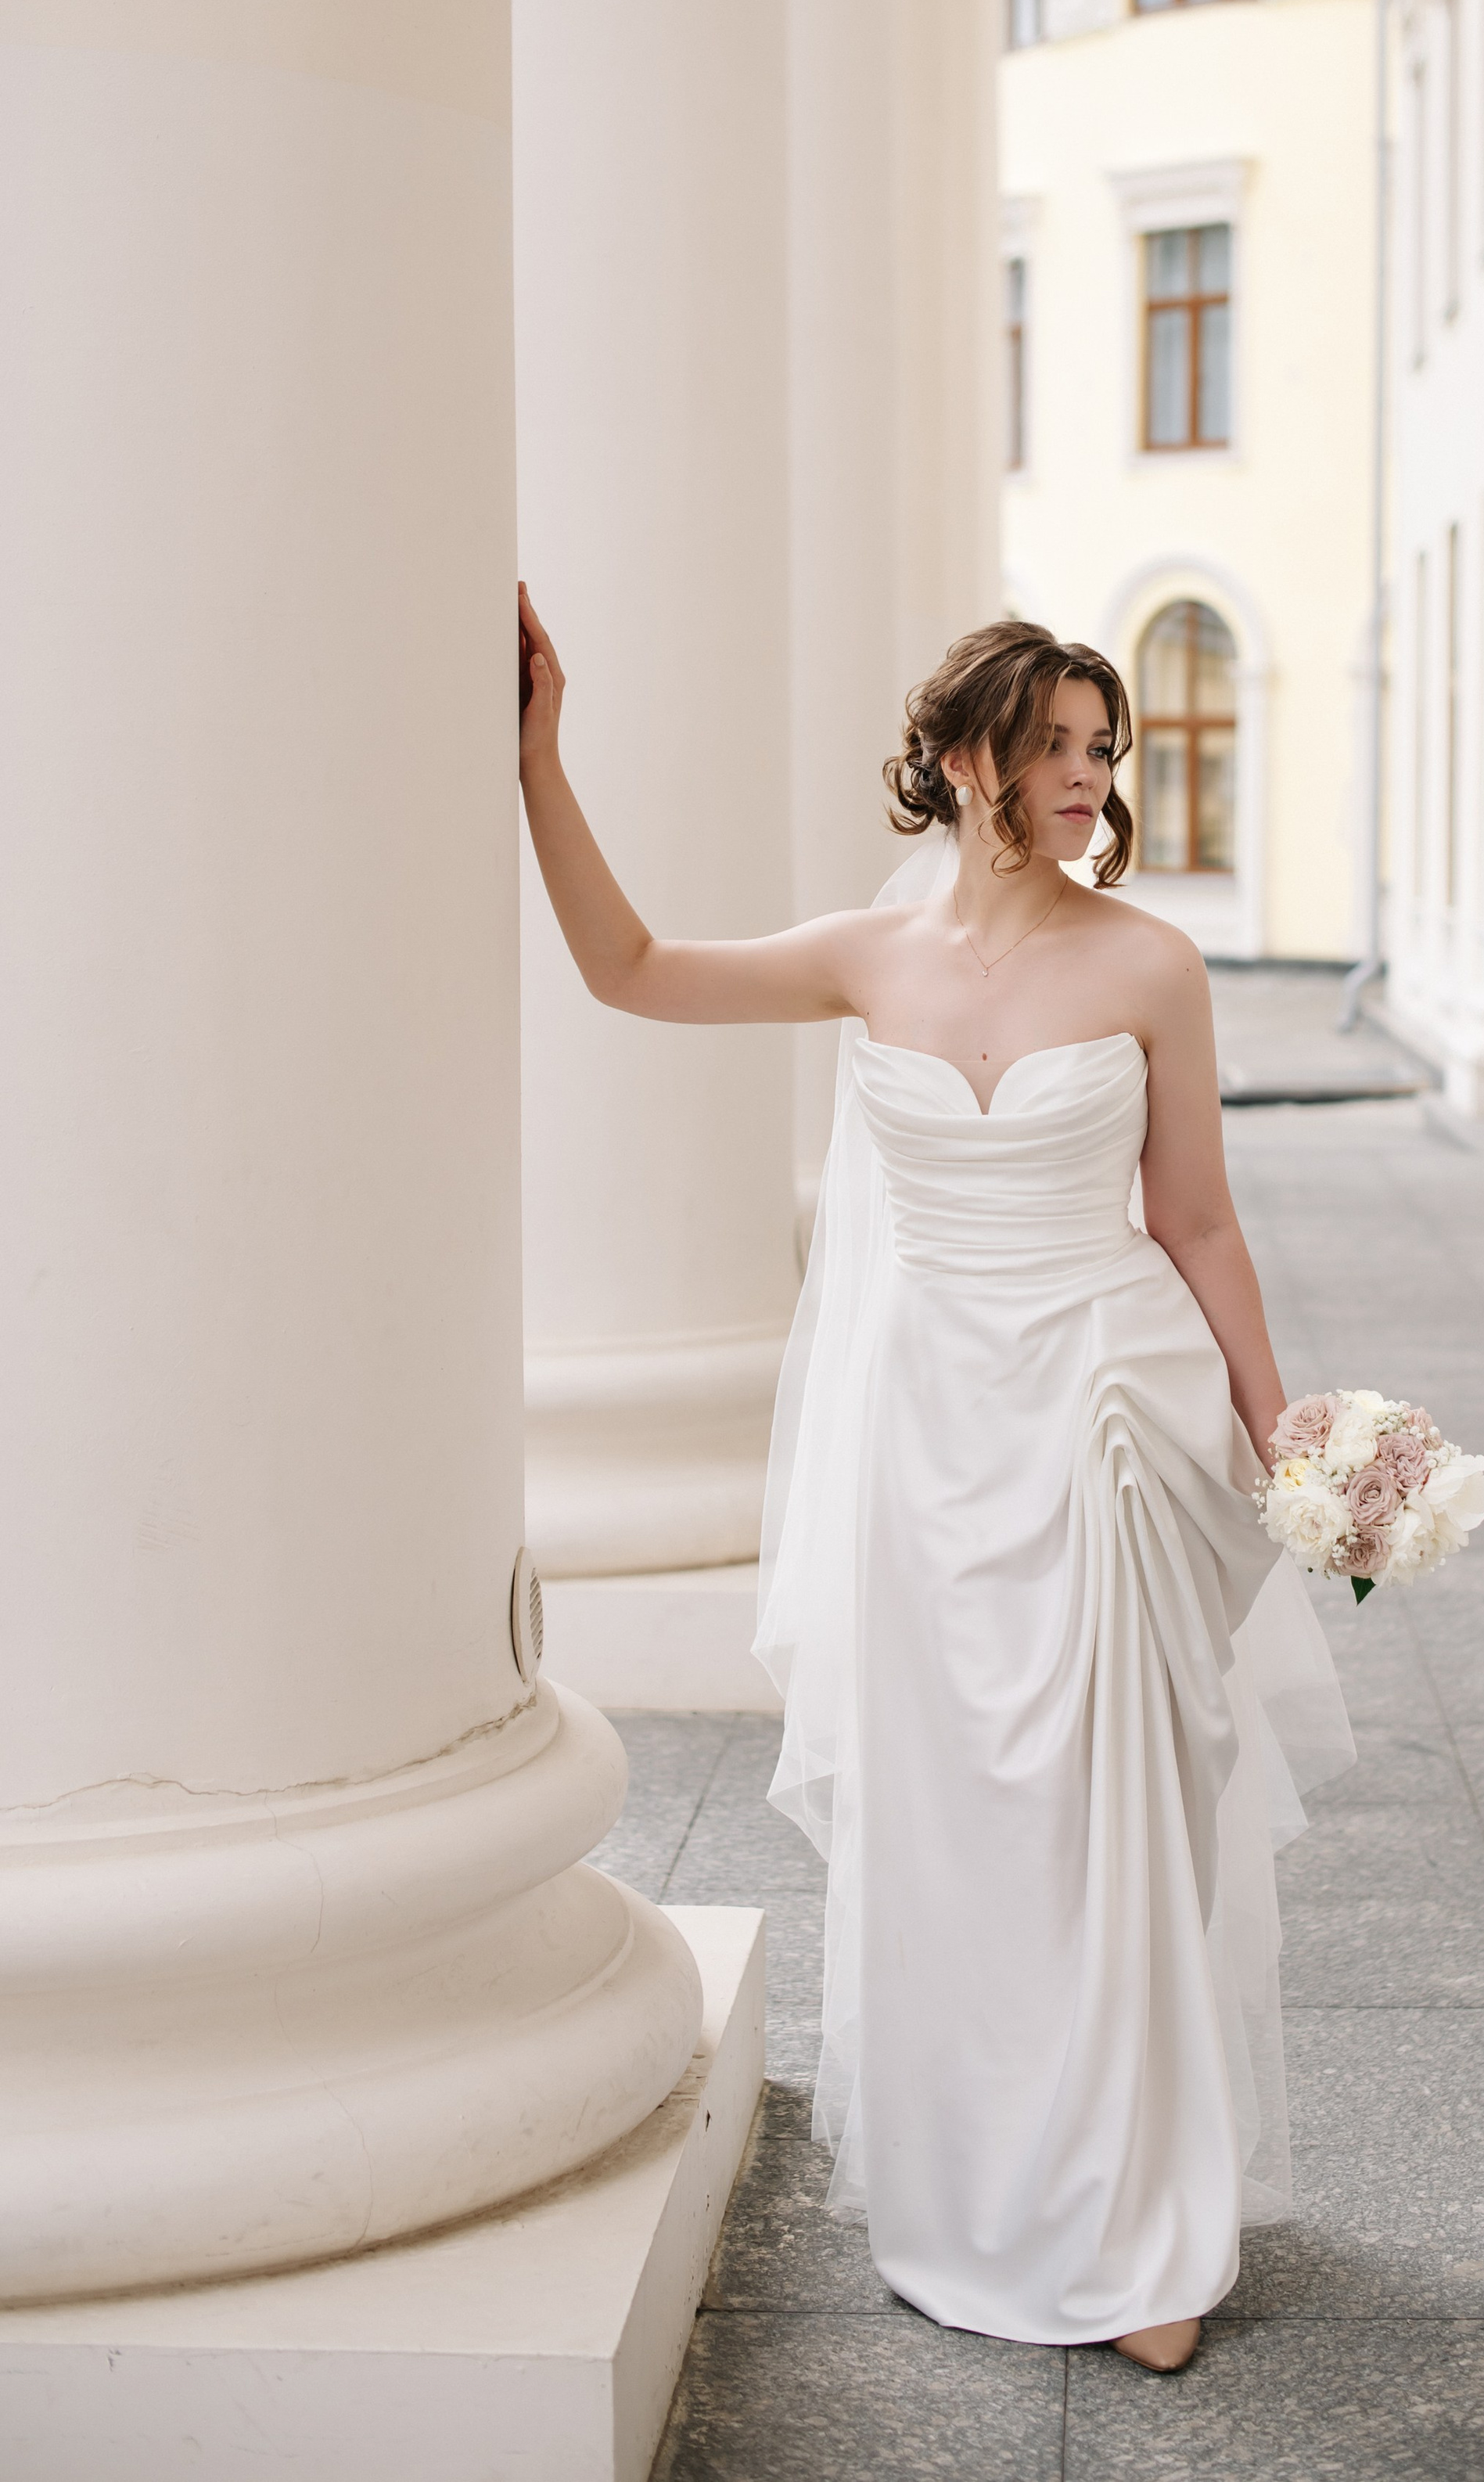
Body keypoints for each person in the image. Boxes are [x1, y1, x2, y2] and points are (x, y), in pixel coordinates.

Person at [519, 592, 1351, 2372]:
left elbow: (1193, 1217)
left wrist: (1279, 1431)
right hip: (923, 1445)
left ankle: (1137, 2235)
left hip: (1100, 1427)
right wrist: (538, 760)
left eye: (1097, 748)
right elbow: (630, 969)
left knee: (1106, 1819)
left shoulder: (1147, 966)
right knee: (956, 1828)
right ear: (967, 755)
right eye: (1051, 744)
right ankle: (980, 2195)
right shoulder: (867, 957)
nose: (1084, 777)